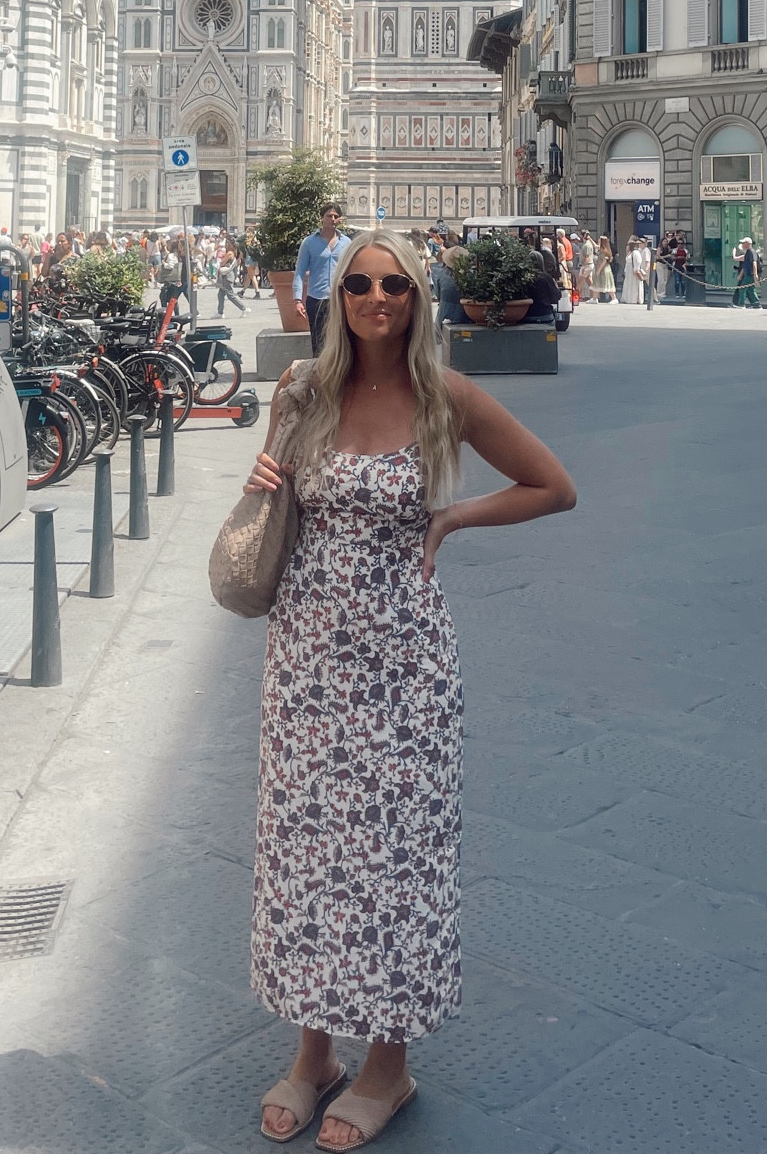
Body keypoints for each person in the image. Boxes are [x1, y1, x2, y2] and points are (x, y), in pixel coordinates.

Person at [246, 231, 575, 1148]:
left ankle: (387, 1067)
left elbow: (554, 486)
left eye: (395, 284)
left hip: (404, 667)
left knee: (394, 863)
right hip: (306, 656)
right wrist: (263, 478)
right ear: (338, 295)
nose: (377, 297)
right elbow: (275, 502)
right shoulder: (302, 390)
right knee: (307, 853)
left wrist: (457, 515)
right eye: (360, 282)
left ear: (418, 298)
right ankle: (314, 1054)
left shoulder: (444, 396)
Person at [293, 201, 347, 355]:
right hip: (316, 299)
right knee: (318, 343)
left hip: (338, 299)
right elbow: (299, 272)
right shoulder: (309, 243)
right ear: (322, 217)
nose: (333, 219)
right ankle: (320, 375)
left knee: (339, 341)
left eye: (336, 216)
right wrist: (297, 300)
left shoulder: (346, 243)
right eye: (329, 216)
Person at [216, 244, 246, 318]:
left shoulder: (230, 253)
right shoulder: (235, 253)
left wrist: (222, 261)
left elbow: (222, 262)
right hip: (228, 276)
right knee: (221, 295)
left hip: (227, 276)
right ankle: (220, 312)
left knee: (230, 295)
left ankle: (244, 308)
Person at [732, 236, 761, 308]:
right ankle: (756, 304)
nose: (742, 244)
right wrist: (741, 275)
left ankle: (741, 304)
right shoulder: (748, 252)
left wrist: (755, 274)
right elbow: (745, 265)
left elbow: (754, 263)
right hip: (748, 273)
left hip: (750, 274)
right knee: (751, 289)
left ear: (748, 244)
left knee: (742, 289)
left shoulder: (751, 252)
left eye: (743, 243)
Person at [621, 233, 649, 305]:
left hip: (633, 272)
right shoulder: (630, 253)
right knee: (629, 285)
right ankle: (628, 298)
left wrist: (636, 270)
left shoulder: (636, 253)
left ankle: (634, 299)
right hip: (628, 272)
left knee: (634, 286)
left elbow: (637, 263)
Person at [594, 235, 616, 303]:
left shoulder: (604, 251)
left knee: (607, 284)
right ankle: (594, 298)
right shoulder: (601, 250)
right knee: (597, 283)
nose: (598, 241)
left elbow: (604, 261)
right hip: (601, 269)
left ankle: (614, 299)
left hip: (604, 270)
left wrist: (598, 270)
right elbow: (595, 246)